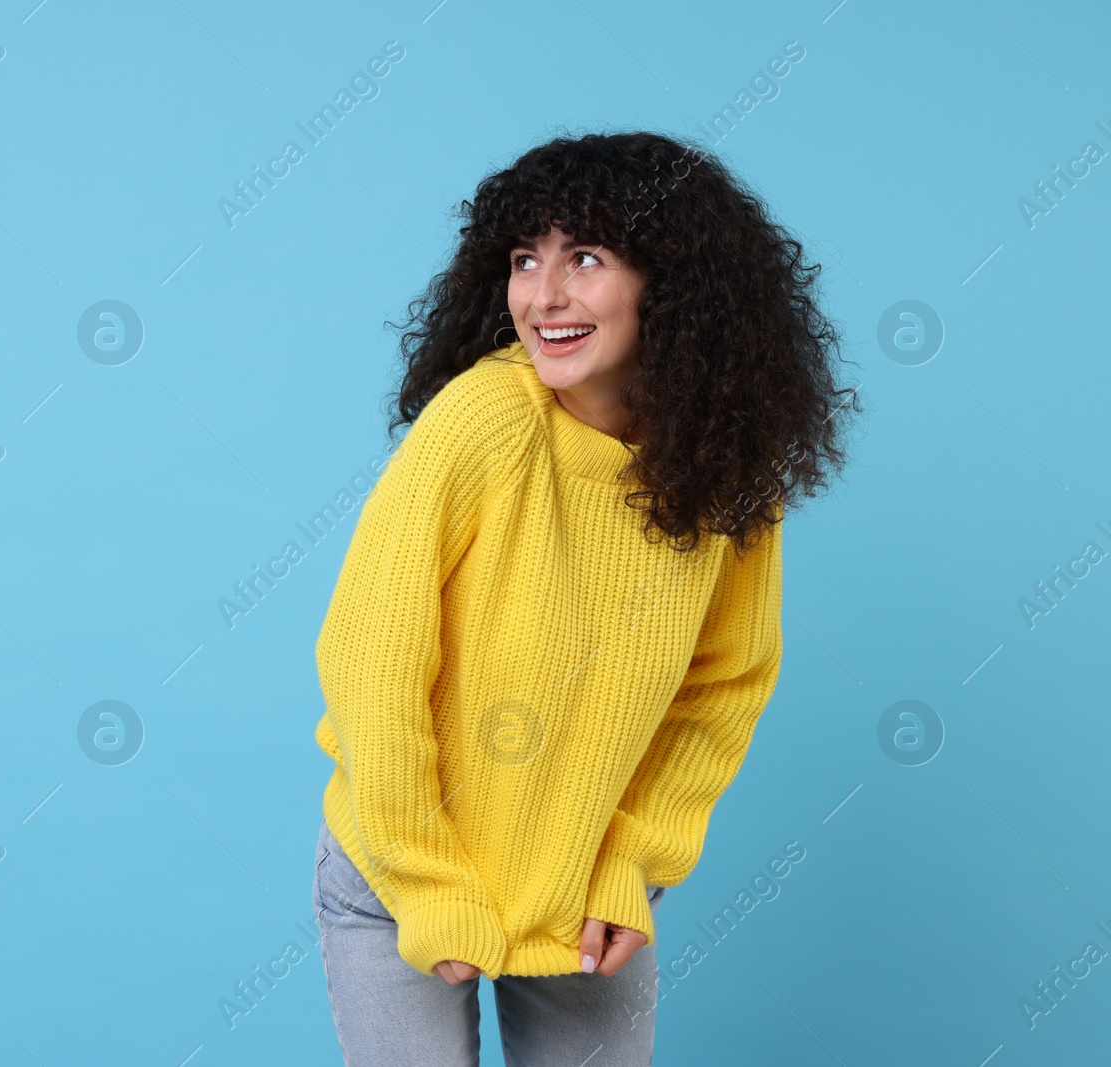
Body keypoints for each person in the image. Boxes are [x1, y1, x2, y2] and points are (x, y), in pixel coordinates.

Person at [310, 129, 859, 1066]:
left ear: (672, 286)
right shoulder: (483, 420)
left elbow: (724, 682)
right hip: (400, 867)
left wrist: (634, 861)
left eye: (586, 260)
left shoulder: (725, 473)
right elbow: (373, 659)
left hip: (581, 881)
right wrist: (424, 872)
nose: (543, 295)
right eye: (526, 259)